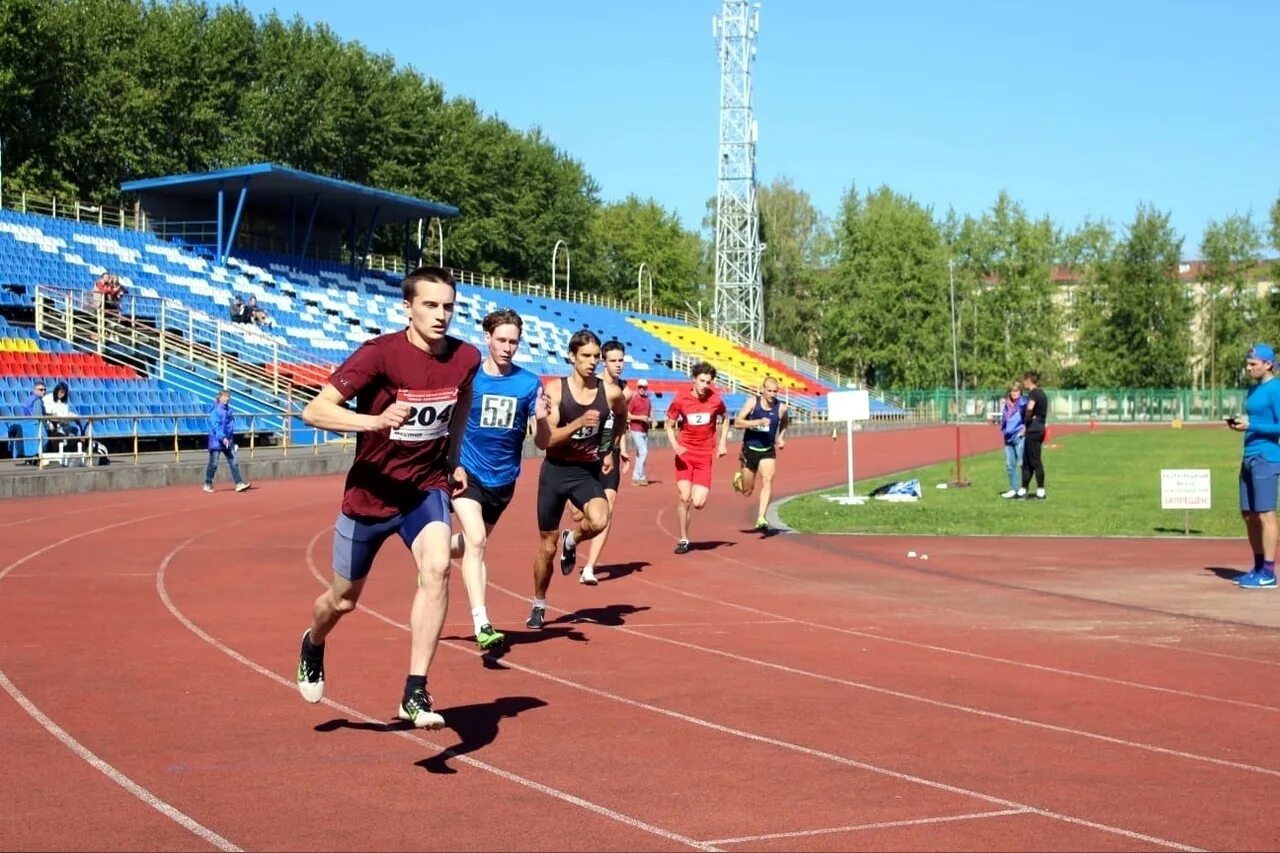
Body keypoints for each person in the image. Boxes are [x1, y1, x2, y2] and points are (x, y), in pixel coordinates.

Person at [295, 266, 479, 730]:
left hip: (424, 487)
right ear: (408, 308)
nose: (441, 316)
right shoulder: (379, 355)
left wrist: (453, 460)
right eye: (430, 305)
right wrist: (374, 422)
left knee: (437, 567)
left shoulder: (465, 358)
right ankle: (314, 641)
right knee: (342, 601)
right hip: (371, 494)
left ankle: (415, 690)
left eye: (448, 307)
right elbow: (314, 410)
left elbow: (459, 408)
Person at [450, 308, 550, 650]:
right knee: (476, 541)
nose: (507, 347)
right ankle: (483, 623)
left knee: (470, 543)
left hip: (503, 480)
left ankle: (435, 554)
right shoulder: (470, 378)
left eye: (514, 342)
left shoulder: (528, 383)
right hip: (467, 472)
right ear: (487, 338)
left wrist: (543, 418)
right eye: (502, 340)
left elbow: (542, 442)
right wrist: (450, 463)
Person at [526, 330, 627, 629]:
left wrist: (609, 446)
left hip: (585, 471)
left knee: (599, 519)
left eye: (596, 356)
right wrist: (579, 423)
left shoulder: (609, 392)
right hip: (555, 472)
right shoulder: (555, 391)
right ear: (571, 356)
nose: (593, 362)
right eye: (586, 356)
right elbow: (545, 441)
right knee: (547, 546)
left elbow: (621, 414)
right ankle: (538, 603)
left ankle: (574, 538)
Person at [576, 339, 632, 586]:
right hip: (585, 454)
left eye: (621, 360)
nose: (618, 365)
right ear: (603, 362)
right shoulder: (592, 386)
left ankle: (590, 566)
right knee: (578, 514)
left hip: (611, 454)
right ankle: (573, 538)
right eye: (613, 361)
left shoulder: (626, 391)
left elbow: (622, 422)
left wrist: (622, 448)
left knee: (608, 507)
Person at [1228, 344, 1280, 590]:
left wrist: (1252, 426)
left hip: (1266, 457)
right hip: (1248, 456)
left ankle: (1269, 572)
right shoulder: (1252, 391)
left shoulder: (1275, 390)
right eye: (1247, 364)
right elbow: (1256, 420)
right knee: (1248, 515)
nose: (1248, 368)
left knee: (1265, 513)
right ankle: (1258, 567)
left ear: (1268, 364)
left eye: (1253, 364)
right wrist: (1241, 424)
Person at [664, 361, 729, 554]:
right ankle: (684, 539)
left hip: (704, 456)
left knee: (698, 503)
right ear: (694, 379)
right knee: (684, 498)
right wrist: (675, 445)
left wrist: (723, 442)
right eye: (701, 381)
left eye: (708, 382)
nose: (704, 386)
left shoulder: (716, 400)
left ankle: (689, 508)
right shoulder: (680, 400)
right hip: (685, 455)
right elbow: (668, 425)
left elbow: (726, 419)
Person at [730, 377, 789, 531]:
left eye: (775, 391)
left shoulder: (781, 408)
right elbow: (737, 423)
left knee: (768, 480)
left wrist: (781, 437)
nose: (772, 394)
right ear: (762, 389)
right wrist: (757, 422)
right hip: (750, 449)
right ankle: (738, 480)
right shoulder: (752, 403)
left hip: (768, 449)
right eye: (769, 391)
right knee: (747, 491)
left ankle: (761, 517)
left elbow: (784, 422)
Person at [203, 389, 251, 493]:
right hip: (216, 441)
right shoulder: (215, 411)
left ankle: (239, 483)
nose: (227, 399)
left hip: (227, 441)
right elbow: (216, 427)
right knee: (213, 463)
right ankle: (208, 483)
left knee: (233, 462)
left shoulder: (229, 411)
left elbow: (230, 426)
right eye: (225, 396)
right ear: (220, 397)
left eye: (228, 397)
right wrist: (223, 438)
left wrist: (230, 440)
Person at [1018, 371, 1048, 500]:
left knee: (1035, 460)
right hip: (1036, 428)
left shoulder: (1033, 393)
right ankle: (1023, 489)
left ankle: (1040, 490)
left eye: (1024, 380)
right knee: (1027, 461)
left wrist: (1027, 416)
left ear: (1028, 380)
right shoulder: (1042, 393)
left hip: (1034, 430)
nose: (1023, 383)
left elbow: (1030, 407)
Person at [998, 382, 1027, 499]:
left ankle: (1024, 489)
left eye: (1016, 391)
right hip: (1008, 437)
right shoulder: (1006, 404)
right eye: (1012, 391)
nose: (1014, 393)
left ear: (1020, 392)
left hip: (1019, 435)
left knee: (1022, 463)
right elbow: (1005, 418)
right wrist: (1004, 429)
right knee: (1010, 464)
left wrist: (1025, 428)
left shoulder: (1023, 403)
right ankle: (1014, 489)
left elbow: (1029, 416)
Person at [628, 377, 653, 485]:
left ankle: (639, 476)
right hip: (635, 429)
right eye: (640, 387)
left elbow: (650, 411)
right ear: (637, 388)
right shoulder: (633, 399)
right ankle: (638, 476)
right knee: (643, 452)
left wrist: (653, 419)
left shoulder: (648, 399)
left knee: (640, 454)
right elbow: (627, 415)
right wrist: (640, 418)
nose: (642, 389)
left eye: (644, 387)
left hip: (645, 429)